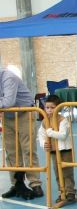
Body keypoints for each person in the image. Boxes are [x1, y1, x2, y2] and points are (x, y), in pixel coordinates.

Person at [0, 66, 43, 198]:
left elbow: (8, 102)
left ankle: (35, 184)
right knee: (11, 152)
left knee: (28, 150)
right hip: (8, 117)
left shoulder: (8, 77)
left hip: (25, 113)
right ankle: (16, 184)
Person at [37, 95, 76, 203]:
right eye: (47, 107)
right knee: (57, 173)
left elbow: (63, 135)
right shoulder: (45, 121)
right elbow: (41, 134)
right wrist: (44, 143)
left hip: (65, 150)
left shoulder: (63, 120)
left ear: (58, 108)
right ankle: (62, 192)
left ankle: (70, 192)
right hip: (54, 151)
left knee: (67, 172)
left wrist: (50, 132)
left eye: (52, 107)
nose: (49, 110)